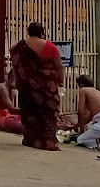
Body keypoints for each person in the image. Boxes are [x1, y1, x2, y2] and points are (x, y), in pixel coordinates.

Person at [9, 22, 64, 151]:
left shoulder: (19, 47)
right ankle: (49, 142)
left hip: (27, 86)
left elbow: (16, 67)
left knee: (30, 112)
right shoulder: (50, 46)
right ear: (42, 32)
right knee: (48, 112)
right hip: (47, 87)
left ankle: (33, 140)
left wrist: (18, 82)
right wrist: (60, 81)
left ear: (28, 31)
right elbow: (59, 66)